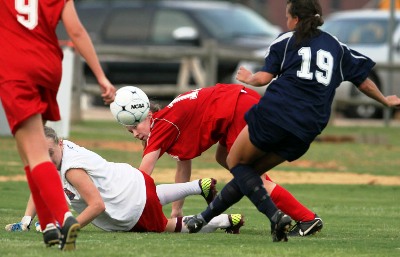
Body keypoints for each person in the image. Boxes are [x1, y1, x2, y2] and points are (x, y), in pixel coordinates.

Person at [183, 0, 400, 242]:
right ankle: (202, 219)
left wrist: (249, 78)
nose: (286, 22)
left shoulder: (286, 40)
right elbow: (364, 80)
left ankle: (275, 216)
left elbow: (264, 77)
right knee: (251, 174)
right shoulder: (337, 47)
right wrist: (384, 100)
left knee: (232, 160)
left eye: (287, 16)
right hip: (308, 127)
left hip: (277, 113)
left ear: (295, 19)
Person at [126, 83, 322, 237]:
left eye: (136, 126)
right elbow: (183, 167)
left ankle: (307, 219)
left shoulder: (161, 125)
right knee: (225, 158)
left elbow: (142, 177)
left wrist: (124, 205)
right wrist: (177, 211)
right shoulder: (168, 120)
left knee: (250, 177)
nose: (135, 133)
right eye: (130, 130)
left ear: (149, 115)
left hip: (238, 109)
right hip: (240, 103)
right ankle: (291, 215)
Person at [0, 0, 116, 251]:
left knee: (35, 153)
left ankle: (62, 217)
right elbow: (76, 31)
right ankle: (49, 226)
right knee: (31, 151)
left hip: (16, 69)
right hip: (49, 66)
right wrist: (101, 76)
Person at [5, 126, 244, 236]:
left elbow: (97, 205)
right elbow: (40, 184)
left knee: (166, 226)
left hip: (132, 204)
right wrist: (26, 221)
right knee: (155, 196)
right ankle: (197, 186)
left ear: (59, 144)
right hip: (133, 180)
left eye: (49, 153)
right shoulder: (61, 146)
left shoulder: (70, 170)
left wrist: (68, 229)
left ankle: (225, 220)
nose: (45, 160)